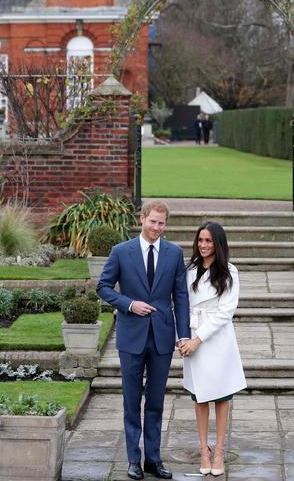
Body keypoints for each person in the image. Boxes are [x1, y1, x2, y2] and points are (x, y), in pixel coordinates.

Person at [97, 200, 190, 481]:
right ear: (142, 219)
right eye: (153, 222)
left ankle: (153, 459)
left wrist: (183, 334)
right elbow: (102, 287)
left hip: (162, 336)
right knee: (131, 399)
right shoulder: (121, 252)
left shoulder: (174, 253)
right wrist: (129, 304)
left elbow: (181, 296)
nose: (157, 228)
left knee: (156, 401)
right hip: (131, 336)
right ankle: (133, 460)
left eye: (162, 223)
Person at [179, 221, 246, 476]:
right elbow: (180, 304)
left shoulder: (229, 271)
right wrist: (183, 338)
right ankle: (203, 449)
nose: (203, 245)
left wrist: (198, 339)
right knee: (199, 396)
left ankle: (219, 451)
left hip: (216, 339)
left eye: (208, 241)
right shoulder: (189, 269)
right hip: (192, 335)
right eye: (200, 240)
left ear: (218, 243)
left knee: (221, 395)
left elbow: (226, 311)